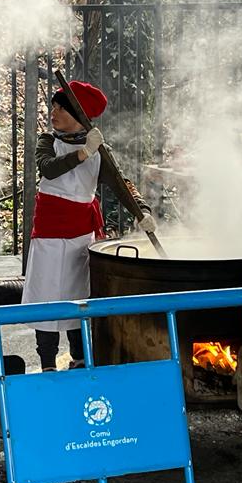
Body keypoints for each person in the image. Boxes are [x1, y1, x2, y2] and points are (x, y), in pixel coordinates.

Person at [20, 81, 157, 372]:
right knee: (46, 298)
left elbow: (122, 184)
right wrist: (83, 153)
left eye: (61, 108)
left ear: (79, 115)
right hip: (49, 233)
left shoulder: (99, 150)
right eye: (54, 106)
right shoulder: (48, 141)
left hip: (82, 235)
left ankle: (80, 359)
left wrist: (141, 210)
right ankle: (46, 363)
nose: (53, 112)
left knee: (77, 298)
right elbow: (48, 168)